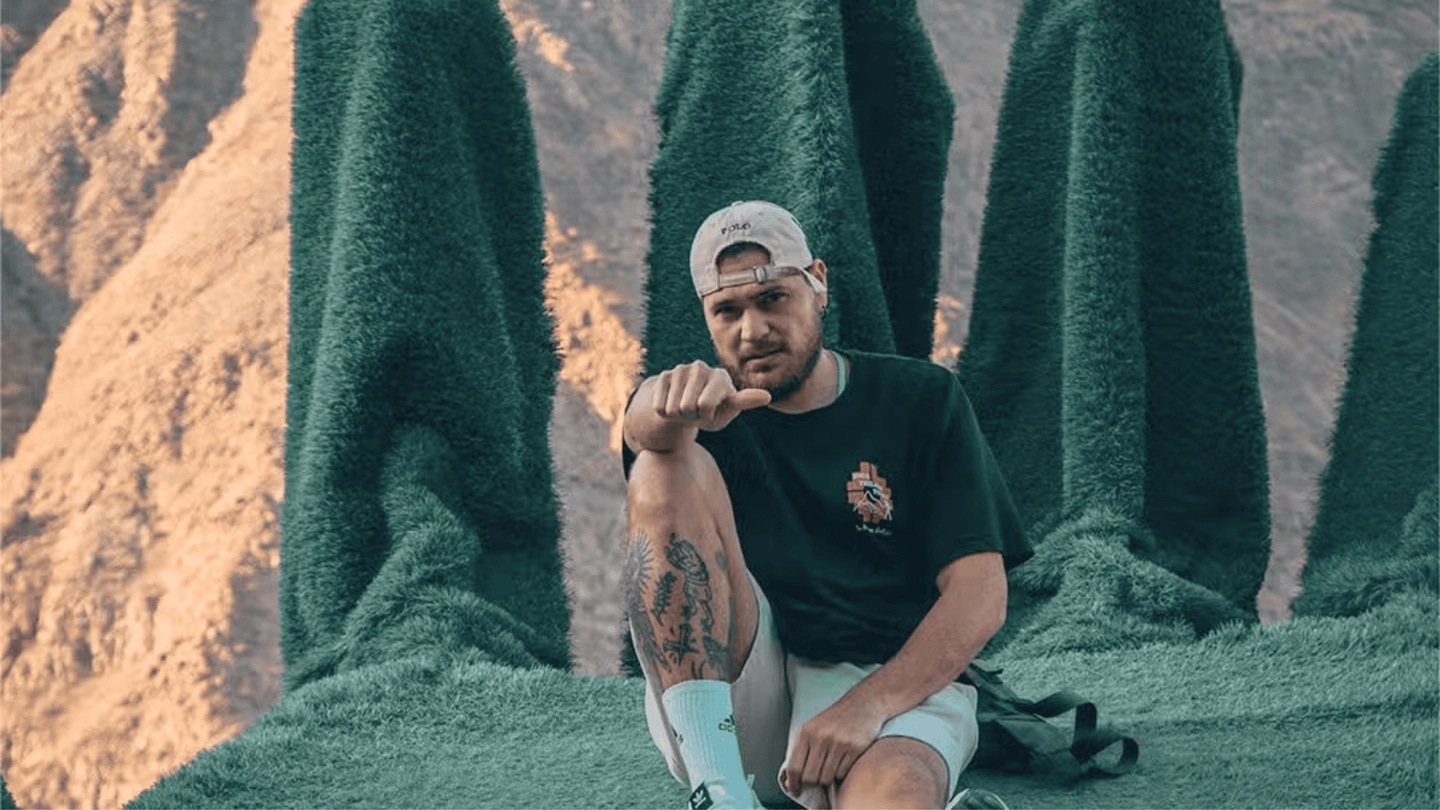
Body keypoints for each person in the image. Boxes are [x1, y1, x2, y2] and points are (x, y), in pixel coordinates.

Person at [621, 200, 1033, 810]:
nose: (752, 330)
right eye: (728, 310)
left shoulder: (921, 399)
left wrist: (867, 705)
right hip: (744, 684)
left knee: (895, 794)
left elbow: (980, 594)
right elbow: (642, 427)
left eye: (772, 299)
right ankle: (719, 792)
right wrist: (662, 403)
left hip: (885, 678)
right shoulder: (702, 411)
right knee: (663, 462)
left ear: (818, 283)